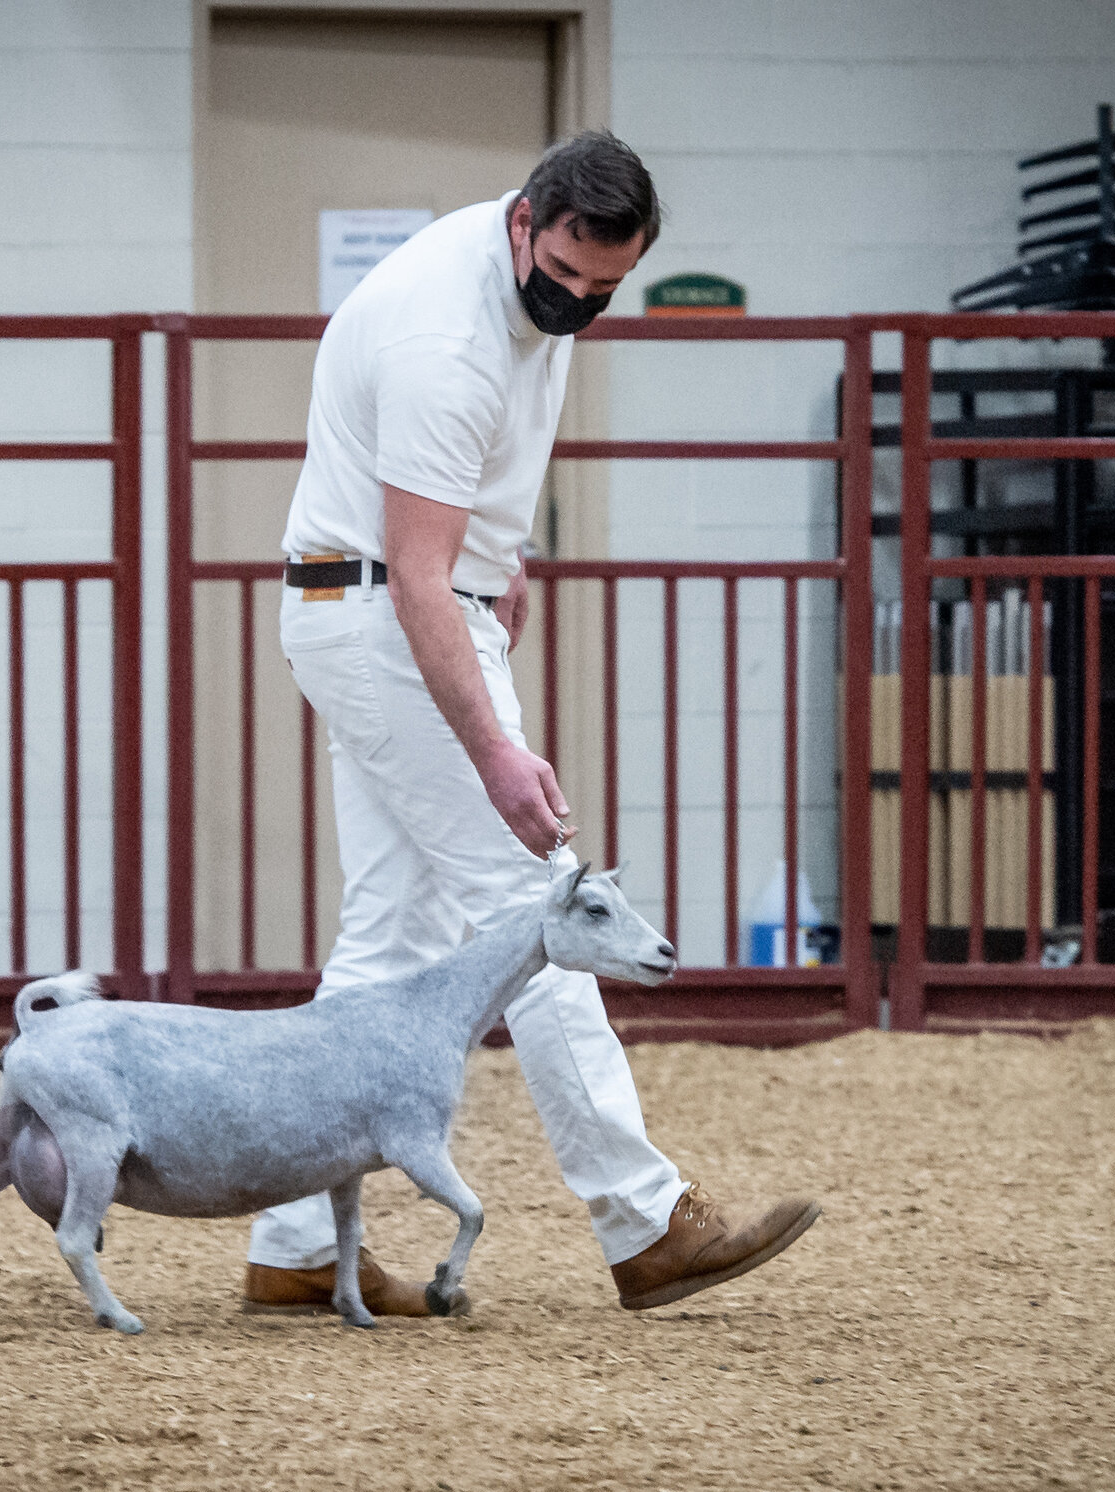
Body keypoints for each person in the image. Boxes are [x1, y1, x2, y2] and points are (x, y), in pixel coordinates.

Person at [240, 130, 821, 1318]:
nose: (578, 301)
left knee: (390, 936)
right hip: (385, 616)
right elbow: (412, 575)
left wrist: (506, 551)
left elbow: (456, 507)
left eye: (607, 288)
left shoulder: (519, 294)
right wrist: (497, 750)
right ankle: (644, 1217)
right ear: (524, 223)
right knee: (541, 911)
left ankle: (297, 1243)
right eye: (564, 273)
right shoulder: (442, 336)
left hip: (382, 602)